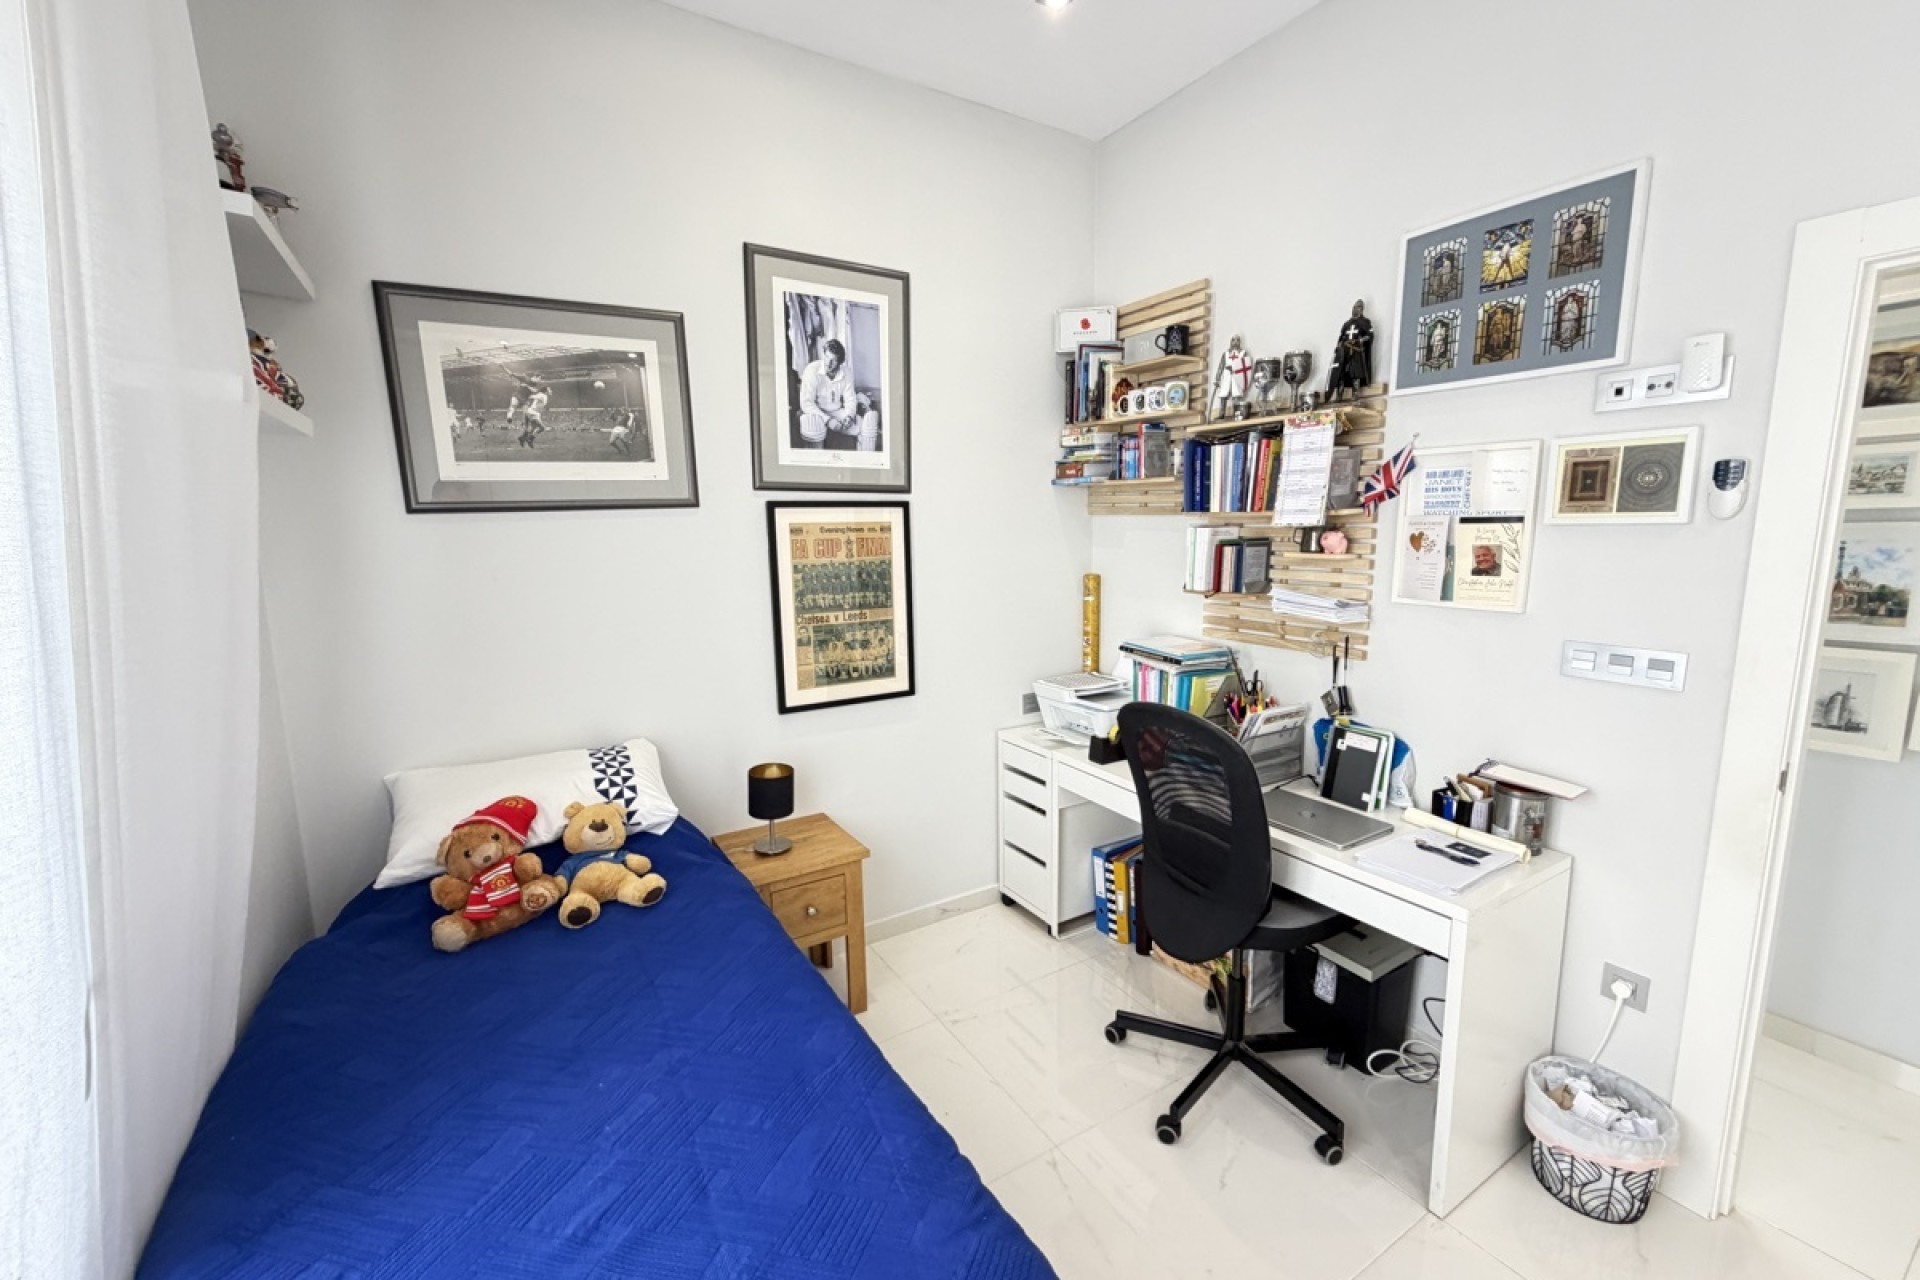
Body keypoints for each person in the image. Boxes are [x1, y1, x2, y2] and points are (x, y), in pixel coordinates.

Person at [798, 338, 876, 449]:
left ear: (840, 362)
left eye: (833, 360)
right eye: (826, 357)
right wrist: (828, 420)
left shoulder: (846, 372)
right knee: (813, 427)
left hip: (837, 412)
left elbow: (850, 399)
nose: (828, 363)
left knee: (865, 428)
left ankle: (866, 458)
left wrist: (849, 416)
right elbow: (806, 403)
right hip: (815, 412)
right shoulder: (811, 370)